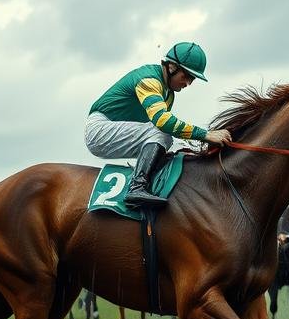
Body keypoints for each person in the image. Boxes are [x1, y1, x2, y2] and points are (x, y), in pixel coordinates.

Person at [84, 42, 231, 209]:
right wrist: (205, 134)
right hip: (99, 129)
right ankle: (137, 187)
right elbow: (163, 122)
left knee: (172, 145)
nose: (188, 83)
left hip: (117, 130)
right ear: (171, 67)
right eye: (186, 76)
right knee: (161, 133)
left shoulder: (168, 94)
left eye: (192, 79)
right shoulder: (149, 80)